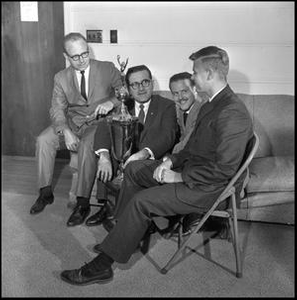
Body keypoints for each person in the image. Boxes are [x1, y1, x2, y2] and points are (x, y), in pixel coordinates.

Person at [60, 45, 253, 285]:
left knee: (143, 201)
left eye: (195, 72)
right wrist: (170, 161)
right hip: (192, 173)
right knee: (134, 168)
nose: (192, 77)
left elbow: (223, 171)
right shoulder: (211, 104)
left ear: (210, 74)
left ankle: (102, 266)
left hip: (207, 187)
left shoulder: (232, 112)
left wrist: (176, 177)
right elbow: (191, 146)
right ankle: (124, 236)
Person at [29, 32, 122, 228]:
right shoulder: (60, 78)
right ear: (66, 56)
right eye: (75, 57)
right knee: (43, 140)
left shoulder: (107, 68)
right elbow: (56, 108)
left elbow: (125, 92)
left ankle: (83, 203)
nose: (81, 60)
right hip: (71, 123)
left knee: (88, 146)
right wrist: (65, 131)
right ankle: (45, 193)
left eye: (84, 54)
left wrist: (111, 102)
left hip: (98, 124)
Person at [84, 65, 179, 228]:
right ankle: (107, 207)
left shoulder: (166, 105)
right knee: (105, 157)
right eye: (134, 84)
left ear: (152, 83)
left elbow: (168, 136)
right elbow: (103, 128)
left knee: (133, 166)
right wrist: (104, 156)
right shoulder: (122, 105)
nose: (141, 88)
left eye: (145, 82)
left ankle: (123, 218)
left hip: (150, 159)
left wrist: (144, 153)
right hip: (125, 155)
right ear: (128, 88)